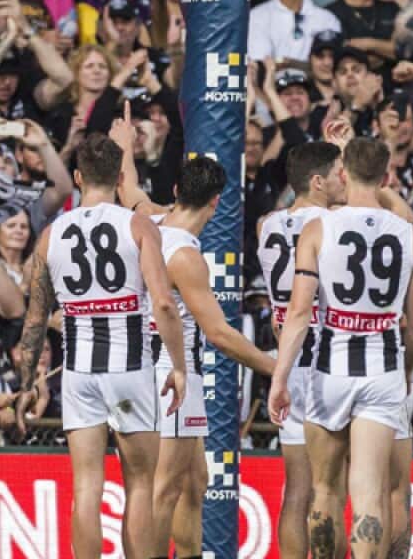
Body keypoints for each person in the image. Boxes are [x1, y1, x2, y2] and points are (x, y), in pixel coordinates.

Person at [15, 133, 187, 559]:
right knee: (141, 486)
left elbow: (35, 319)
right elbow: (164, 302)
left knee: (87, 487)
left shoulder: (52, 235)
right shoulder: (137, 225)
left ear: (76, 177)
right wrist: (178, 366)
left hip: (80, 373)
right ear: (121, 175)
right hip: (129, 369)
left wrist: (26, 381)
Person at [111, 113, 274, 557]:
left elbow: (127, 188)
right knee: (162, 491)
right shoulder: (186, 257)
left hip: (139, 366)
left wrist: (125, 141)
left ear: (178, 191)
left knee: (194, 482)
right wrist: (275, 369)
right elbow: (219, 334)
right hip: (172, 374)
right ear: (217, 203)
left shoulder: (149, 221)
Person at [268, 137, 413, 559]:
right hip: (382, 371)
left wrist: (281, 378)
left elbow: (299, 312)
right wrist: (408, 370)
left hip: (329, 371)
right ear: (387, 177)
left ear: (342, 174)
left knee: (323, 490)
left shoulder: (317, 228)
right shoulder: (409, 234)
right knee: (371, 494)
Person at [257, 140, 343, 559]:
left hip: (289, 365)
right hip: (329, 362)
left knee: (296, 489)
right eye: (338, 172)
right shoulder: (332, 224)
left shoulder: (267, 225)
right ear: (318, 182)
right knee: (332, 490)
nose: (344, 178)